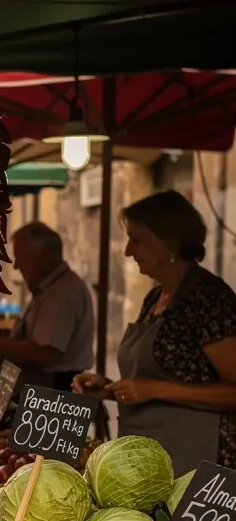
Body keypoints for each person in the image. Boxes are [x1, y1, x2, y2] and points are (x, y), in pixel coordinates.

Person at [74, 190, 236, 473]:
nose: (128, 251)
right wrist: (110, 388)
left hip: (199, 457)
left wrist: (154, 389)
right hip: (154, 453)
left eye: (136, 240)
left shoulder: (209, 299)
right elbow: (150, 384)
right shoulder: (155, 298)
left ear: (169, 242)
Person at [0, 222, 94, 391]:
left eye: (20, 257)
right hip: (42, 386)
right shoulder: (48, 290)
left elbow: (45, 353)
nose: (16, 266)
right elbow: (35, 338)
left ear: (42, 256)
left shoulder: (62, 294)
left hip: (53, 391)